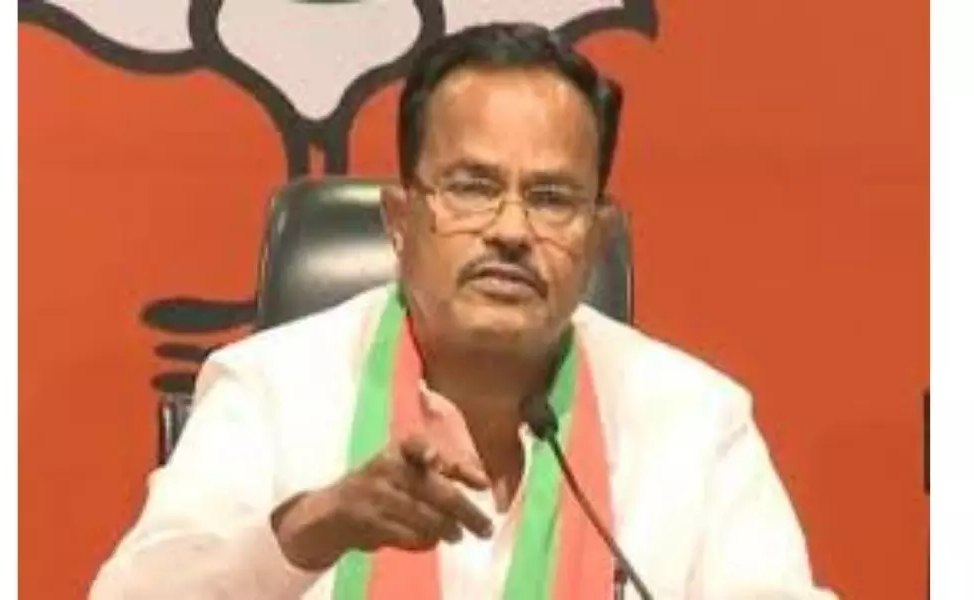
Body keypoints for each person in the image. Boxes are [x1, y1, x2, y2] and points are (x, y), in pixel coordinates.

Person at [90, 22, 836, 600]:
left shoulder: (695, 422)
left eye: (551, 198)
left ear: (596, 238)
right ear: (399, 221)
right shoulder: (271, 391)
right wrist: (309, 531)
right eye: (473, 188)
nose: (511, 230)